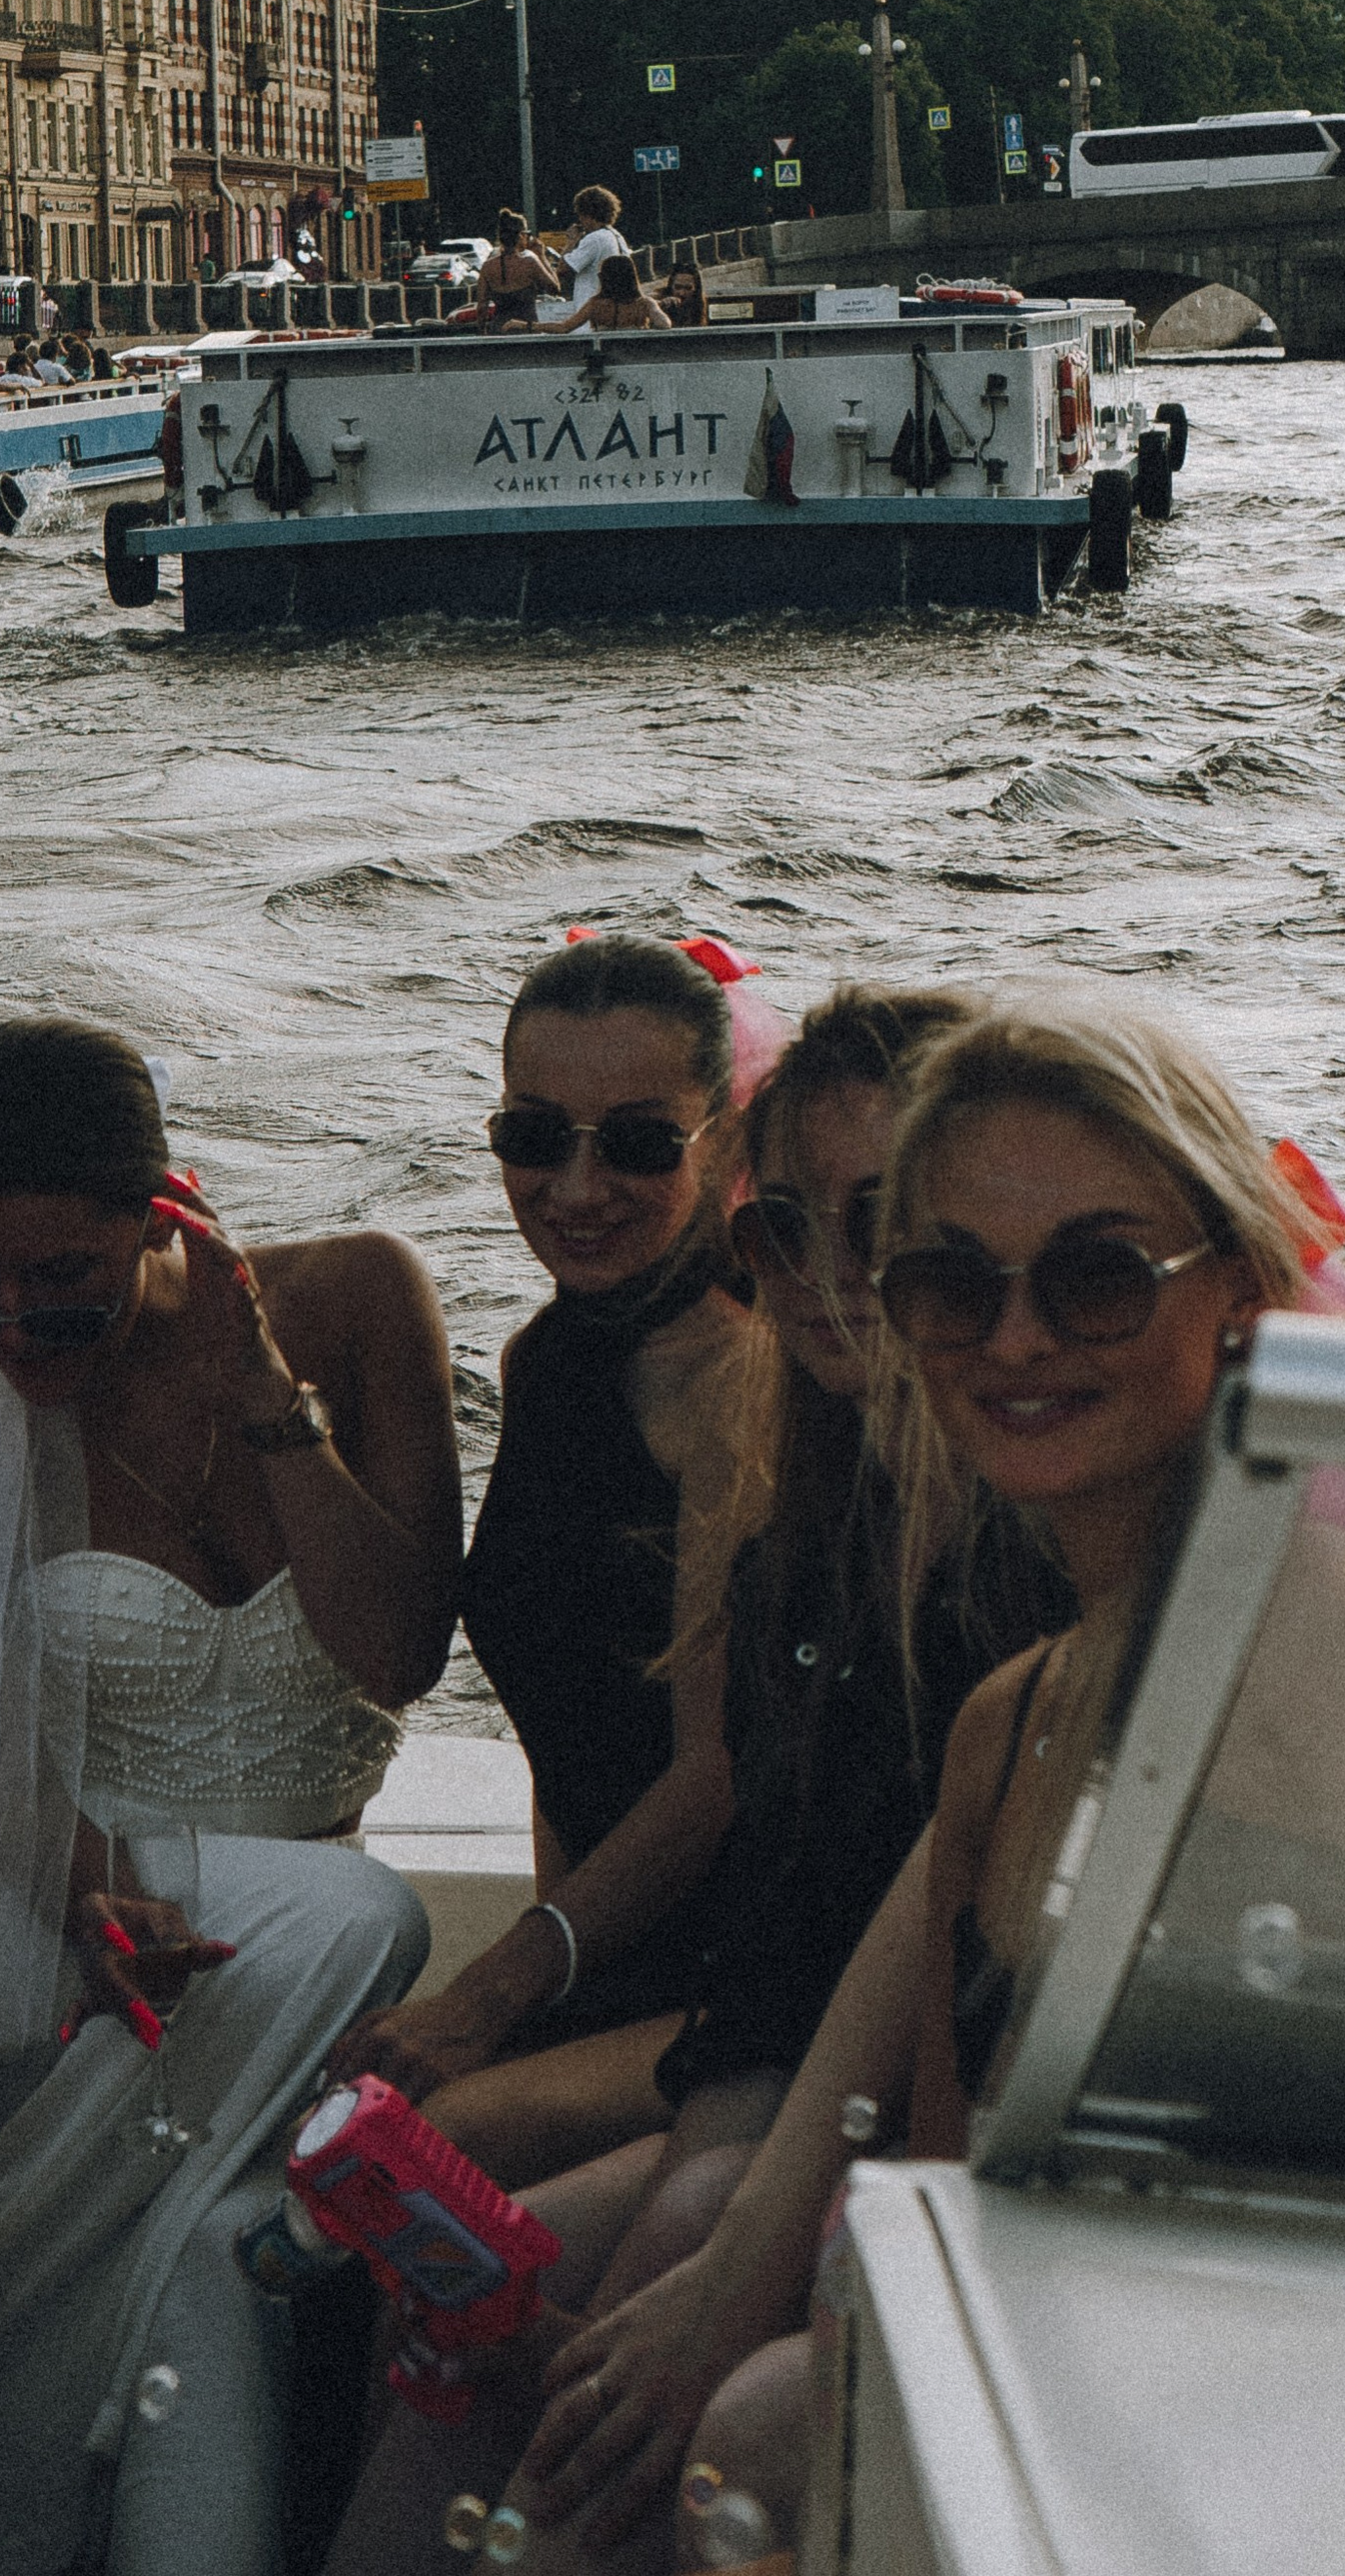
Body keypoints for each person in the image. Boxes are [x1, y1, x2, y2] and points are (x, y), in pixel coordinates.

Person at [503, 1000, 1322, 2569]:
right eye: (948, 1280)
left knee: (726, 2417)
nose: (1012, 1339)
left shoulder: (1290, 1646)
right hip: (1028, 2249)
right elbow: (937, 2122)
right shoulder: (1020, 1711)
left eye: (1095, 1277)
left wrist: (749, 2266)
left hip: (1251, 2329)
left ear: (1241, 1285)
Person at [324, 987, 1064, 2574]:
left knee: (625, 2256)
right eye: (785, 1233)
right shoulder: (812, 1532)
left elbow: (890, 1940)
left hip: (925, 2103)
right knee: (454, 2277)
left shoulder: (1025, 1563)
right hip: (763, 2030)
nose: (825, 1275)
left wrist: (735, 2231)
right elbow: (777, 1921)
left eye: (883, 1227)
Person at [0, 1019, 461, 2576]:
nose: (15, 1323)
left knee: (225, 2232)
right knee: (363, 1929)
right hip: (94, 1932)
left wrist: (268, 1398)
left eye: (64, 1278)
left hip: (301, 1956)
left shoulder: (359, 1297)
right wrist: (94, 1902)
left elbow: (398, 1655)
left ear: (165, 1214)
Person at [335, 938, 755, 2189]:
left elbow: (712, 1777)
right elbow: (570, 1734)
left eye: (637, 1143)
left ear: (724, 1141)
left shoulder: (736, 1385)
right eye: (533, 1135)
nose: (575, 1187)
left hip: (756, 1969)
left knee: (421, 2160)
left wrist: (491, 1995)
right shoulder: (543, 1361)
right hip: (610, 1959)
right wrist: (540, 2004)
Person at [537, 186, 629, 324]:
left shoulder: (594, 239)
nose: (580, 221)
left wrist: (571, 241)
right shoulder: (617, 236)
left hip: (589, 314)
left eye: (581, 215)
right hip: (612, 310)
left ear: (588, 215)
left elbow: (563, 269)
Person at [548, 247, 670, 336]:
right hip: (635, 353)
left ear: (604, 278)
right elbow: (664, 324)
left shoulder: (596, 304)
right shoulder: (644, 303)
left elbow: (565, 327)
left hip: (604, 353)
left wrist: (537, 326)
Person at [477, 211, 564, 330]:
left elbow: (482, 306)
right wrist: (542, 256)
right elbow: (555, 288)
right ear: (521, 235)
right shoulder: (530, 262)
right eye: (528, 234)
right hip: (527, 329)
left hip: (499, 329)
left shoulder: (487, 267)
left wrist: (482, 331)